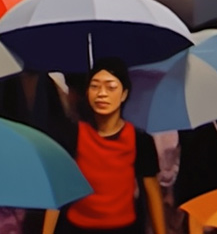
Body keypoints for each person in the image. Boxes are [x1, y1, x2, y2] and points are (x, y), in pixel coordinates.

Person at [59, 58, 165, 234]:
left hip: (125, 228)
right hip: (77, 227)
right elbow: (60, 188)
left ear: (124, 94)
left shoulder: (140, 140)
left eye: (111, 87)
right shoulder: (73, 134)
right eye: (95, 86)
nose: (102, 93)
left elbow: (152, 191)